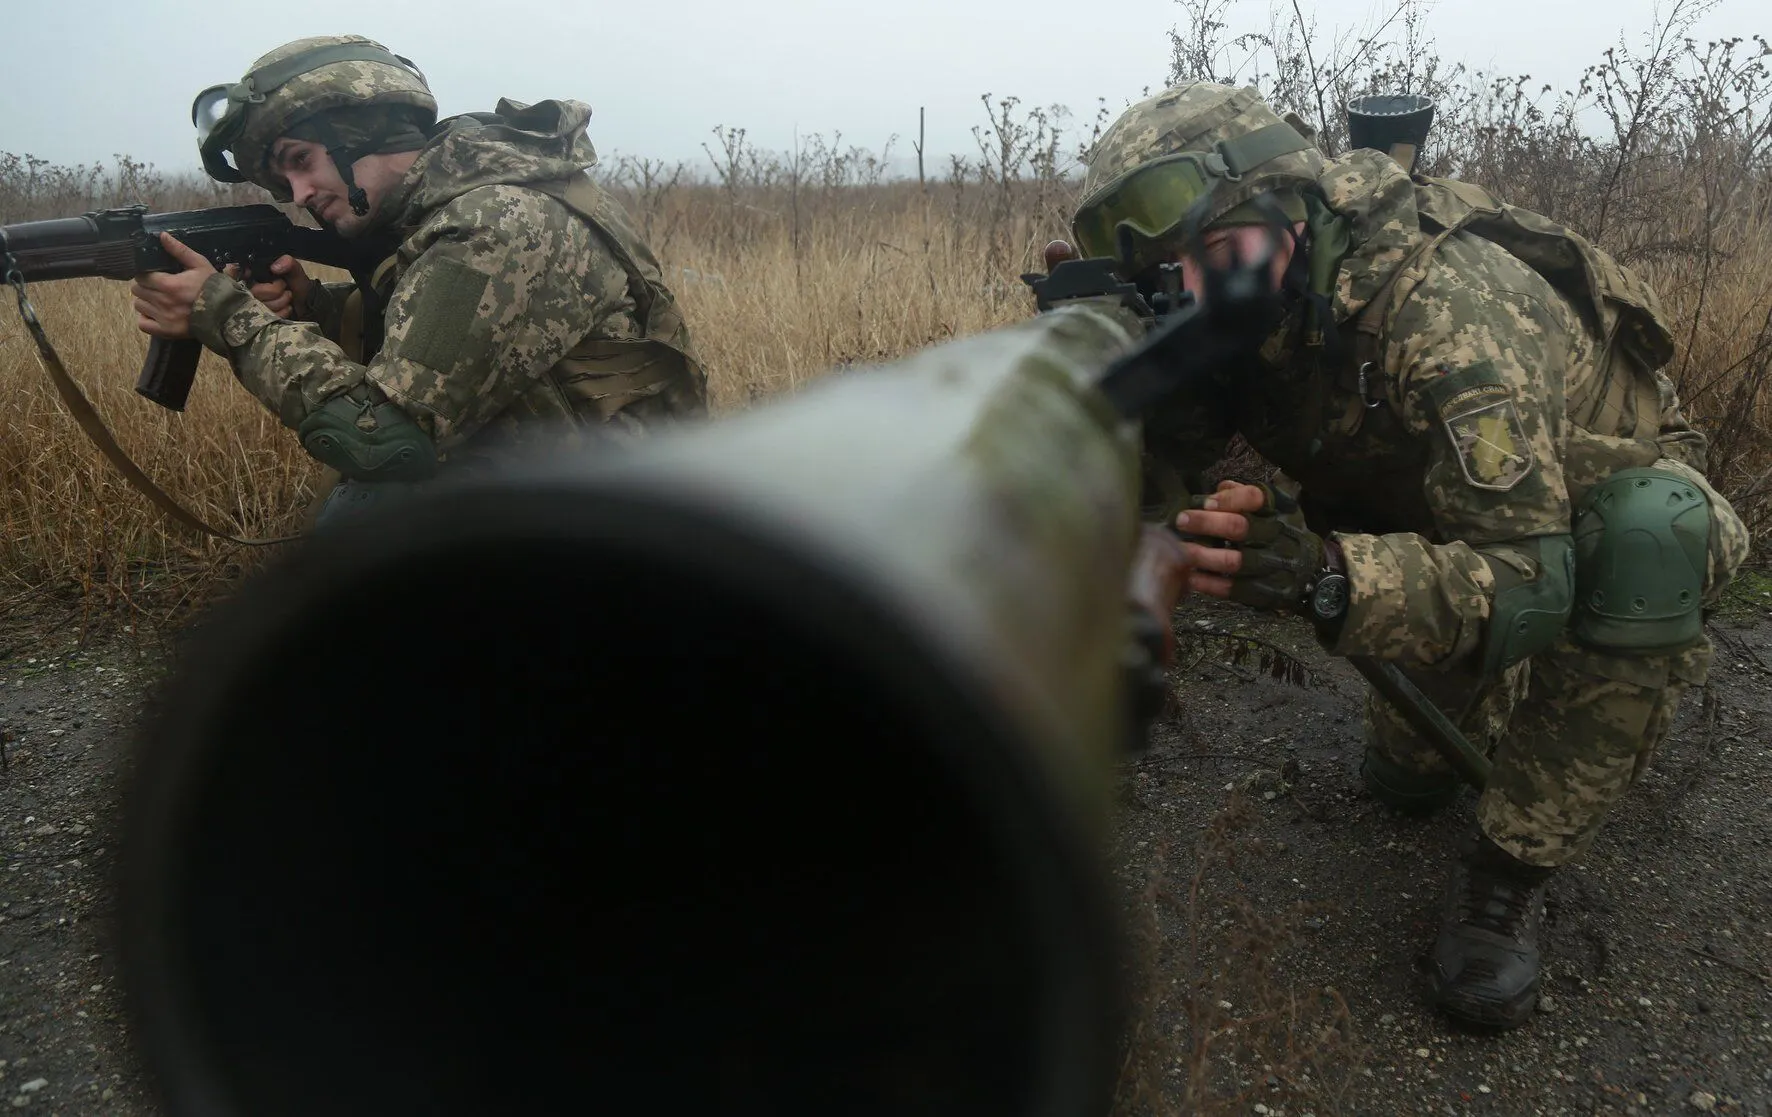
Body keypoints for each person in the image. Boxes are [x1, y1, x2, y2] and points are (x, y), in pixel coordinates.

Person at [1067, 81, 1749, 1028]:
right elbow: (1167, 467)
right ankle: (1485, 707)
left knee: (1643, 539)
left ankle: (1507, 876)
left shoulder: (1446, 315)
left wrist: (1324, 575)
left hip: (1599, 488)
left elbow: (1530, 583)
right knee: (1405, 786)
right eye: (1167, 273)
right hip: (1441, 490)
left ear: (1289, 212)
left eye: (1212, 255)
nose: (1194, 291)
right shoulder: (1249, 284)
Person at [129, 34, 706, 525]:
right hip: (578, 491)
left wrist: (227, 316)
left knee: (365, 516)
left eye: (300, 160)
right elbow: (442, 332)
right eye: (284, 179)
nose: (299, 196)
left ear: (359, 131)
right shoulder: (456, 208)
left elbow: (382, 440)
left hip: (607, 523)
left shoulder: (492, 223)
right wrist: (310, 307)